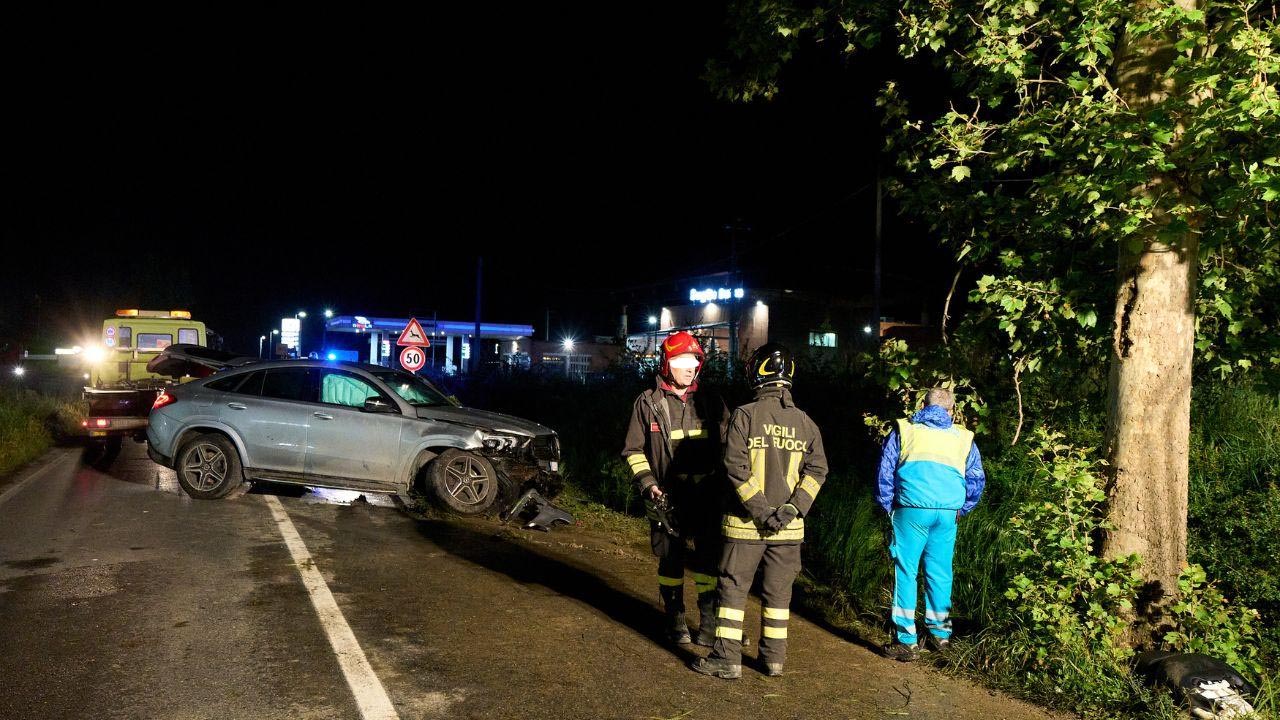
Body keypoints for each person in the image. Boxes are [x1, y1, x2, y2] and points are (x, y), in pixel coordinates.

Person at [692, 343, 827, 679]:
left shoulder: (746, 415)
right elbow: (817, 471)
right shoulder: (806, 423)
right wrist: (792, 509)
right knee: (779, 595)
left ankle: (726, 659)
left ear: (759, 372)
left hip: (745, 527)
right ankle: (773, 660)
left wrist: (761, 511)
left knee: (733, 588)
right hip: (789, 531)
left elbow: (734, 466)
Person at [621, 331, 730, 646]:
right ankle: (675, 618)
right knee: (671, 560)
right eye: (680, 360)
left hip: (706, 496)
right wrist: (648, 484)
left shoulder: (711, 401)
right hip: (667, 497)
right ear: (666, 363)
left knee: (709, 561)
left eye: (694, 360)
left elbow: (731, 448)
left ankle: (708, 624)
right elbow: (633, 450)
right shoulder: (648, 402)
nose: (688, 367)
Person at [876, 387, 985, 661]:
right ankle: (940, 635)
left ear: (923, 405)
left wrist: (889, 506)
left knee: (906, 571)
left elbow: (885, 472)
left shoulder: (906, 430)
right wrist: (963, 508)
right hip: (947, 513)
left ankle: (907, 640)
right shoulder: (964, 438)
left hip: (911, 509)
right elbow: (976, 479)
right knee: (940, 572)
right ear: (952, 411)